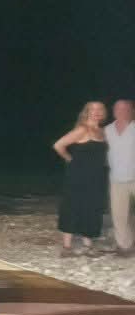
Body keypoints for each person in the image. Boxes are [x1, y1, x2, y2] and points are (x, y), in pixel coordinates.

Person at [54, 101, 110, 256]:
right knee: (72, 205)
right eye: (93, 109)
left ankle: (87, 244)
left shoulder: (102, 131)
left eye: (100, 109)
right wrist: (69, 159)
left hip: (96, 176)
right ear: (87, 112)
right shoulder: (82, 129)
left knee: (91, 206)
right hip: (78, 175)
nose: (96, 112)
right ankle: (66, 247)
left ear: (104, 112)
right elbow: (58, 145)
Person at [105, 100, 135, 255]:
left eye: (124, 108)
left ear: (131, 110)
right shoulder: (107, 130)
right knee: (119, 215)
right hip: (116, 178)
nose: (121, 111)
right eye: (117, 108)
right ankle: (124, 246)